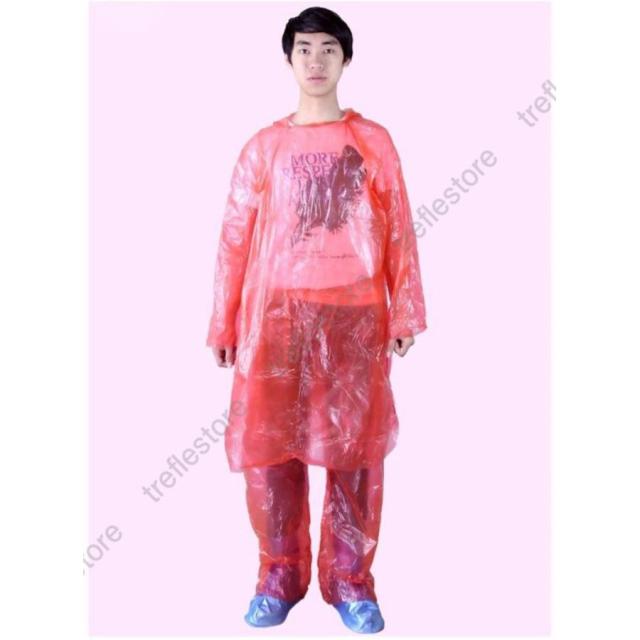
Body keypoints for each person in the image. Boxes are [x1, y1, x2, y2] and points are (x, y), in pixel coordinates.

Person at [206, 6, 427, 634]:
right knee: (271, 449)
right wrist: (224, 322)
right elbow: (235, 237)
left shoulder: (372, 141)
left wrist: (406, 308)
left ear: (345, 59)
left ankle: (351, 582)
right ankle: (278, 574)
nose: (316, 60)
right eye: (304, 48)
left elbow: (399, 227)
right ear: (288, 59)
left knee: (354, 450)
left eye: (328, 48)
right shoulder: (264, 147)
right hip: (276, 317)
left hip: (353, 315)